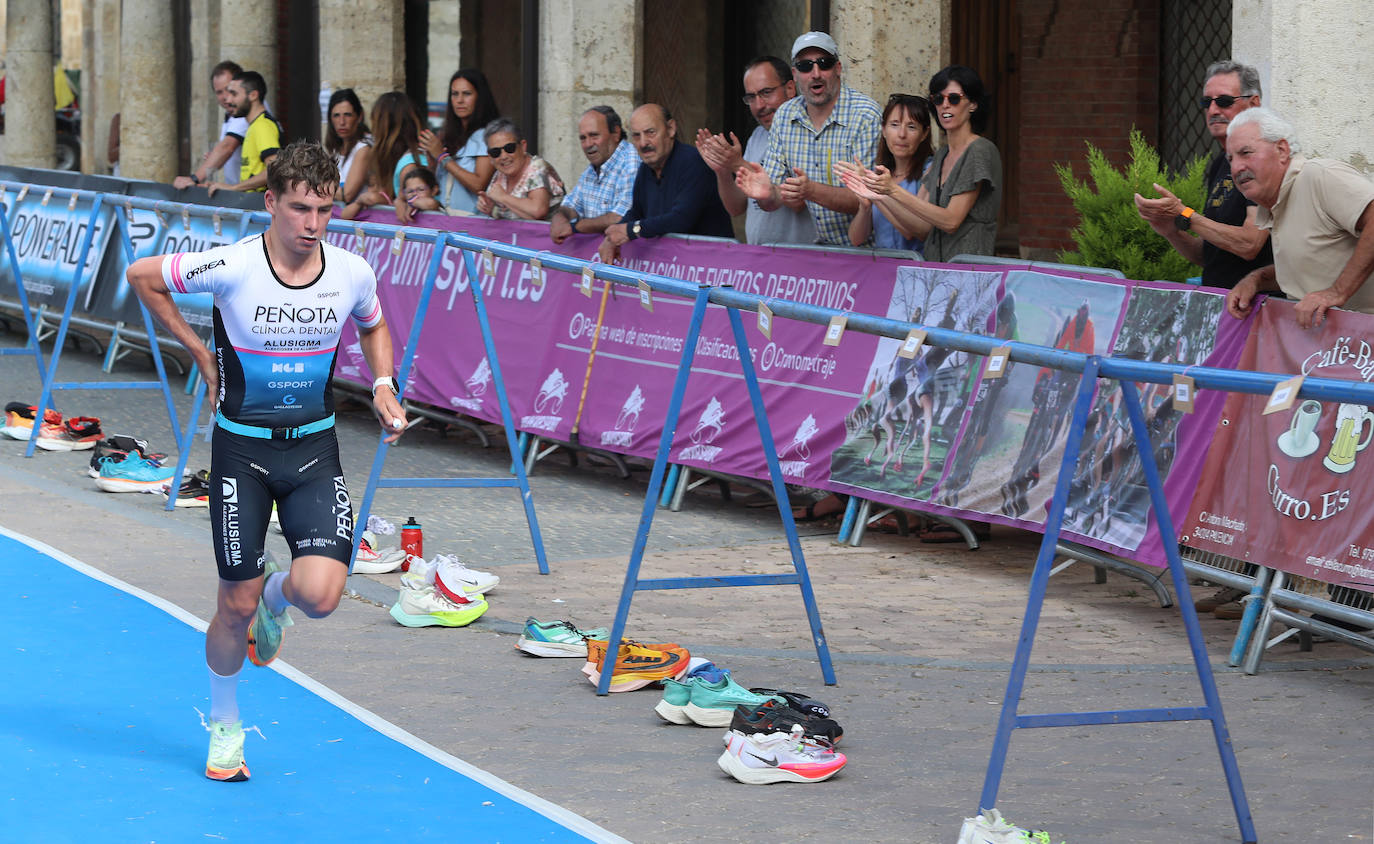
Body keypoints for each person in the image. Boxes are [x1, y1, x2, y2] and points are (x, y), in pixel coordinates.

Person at [124, 141, 406, 782]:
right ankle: (225, 726)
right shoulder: (232, 266)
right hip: (241, 455)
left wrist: (384, 383)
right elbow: (144, 276)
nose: (313, 225)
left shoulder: (352, 272)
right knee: (233, 605)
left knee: (322, 596)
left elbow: (374, 323)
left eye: (325, 211)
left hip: (314, 449)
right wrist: (199, 352)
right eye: (301, 208)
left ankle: (279, 596)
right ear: (271, 202)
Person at [1224, 107, 1374, 328]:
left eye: (1246, 153)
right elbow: (1311, 266)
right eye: (1230, 159)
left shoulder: (1318, 176)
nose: (1236, 167)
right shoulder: (1274, 203)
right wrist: (1255, 280)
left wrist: (1337, 292)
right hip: (1330, 351)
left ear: (1282, 150)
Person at [837, 65, 1000, 262]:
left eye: (954, 99)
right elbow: (921, 228)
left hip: (970, 273)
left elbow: (951, 221)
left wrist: (890, 191)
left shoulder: (980, 150)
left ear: (973, 104)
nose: (945, 105)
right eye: (938, 99)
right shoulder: (943, 155)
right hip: (934, 275)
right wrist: (877, 193)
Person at [1133, 60, 1273, 289]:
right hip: (1220, 305)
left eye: (1225, 101)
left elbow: (1250, 244)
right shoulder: (1220, 163)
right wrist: (1171, 230)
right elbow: (1210, 256)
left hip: (1260, 309)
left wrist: (1186, 215)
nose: (1214, 110)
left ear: (1254, 104)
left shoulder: (1262, 159)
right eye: (1206, 102)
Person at [734, 32, 881, 246]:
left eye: (824, 63)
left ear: (838, 68)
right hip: (812, 254)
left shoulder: (866, 115)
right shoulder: (785, 115)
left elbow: (867, 198)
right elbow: (775, 196)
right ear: (795, 74)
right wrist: (766, 195)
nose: (815, 73)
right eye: (805, 66)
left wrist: (811, 191)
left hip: (862, 253)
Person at [697, 56, 816, 245]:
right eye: (751, 97)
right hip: (760, 259)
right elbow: (736, 208)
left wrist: (737, 163)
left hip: (797, 262)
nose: (759, 105)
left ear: (790, 89)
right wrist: (722, 170)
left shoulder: (808, 132)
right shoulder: (758, 135)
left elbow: (797, 203)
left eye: (766, 92)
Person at [597, 103, 734, 264]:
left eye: (650, 133)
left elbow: (681, 220)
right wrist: (613, 235)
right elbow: (636, 212)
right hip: (672, 267)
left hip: (711, 267)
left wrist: (631, 230)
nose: (643, 143)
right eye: (636, 136)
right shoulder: (646, 168)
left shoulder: (693, 162)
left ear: (670, 129)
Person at [843, 93, 934, 252]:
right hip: (882, 271)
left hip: (916, 272)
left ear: (924, 134)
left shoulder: (930, 170)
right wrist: (864, 207)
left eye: (911, 127)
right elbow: (856, 239)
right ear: (884, 130)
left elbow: (911, 232)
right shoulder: (880, 173)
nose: (901, 134)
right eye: (894, 124)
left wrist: (876, 194)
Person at [550, 106, 639, 243]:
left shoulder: (631, 163)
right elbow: (571, 205)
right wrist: (560, 218)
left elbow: (620, 217)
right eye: (583, 138)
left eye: (594, 136)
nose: (588, 144)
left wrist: (574, 227)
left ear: (615, 133)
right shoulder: (592, 169)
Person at [420, 68, 500, 214]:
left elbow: (479, 185)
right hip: (444, 221)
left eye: (467, 94)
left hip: (475, 224)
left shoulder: (489, 135)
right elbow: (439, 186)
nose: (459, 100)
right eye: (455, 94)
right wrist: (432, 165)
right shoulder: (447, 134)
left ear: (480, 97)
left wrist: (442, 157)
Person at [344, 91, 428, 223]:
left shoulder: (409, 166)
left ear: (385, 126)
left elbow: (413, 214)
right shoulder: (393, 161)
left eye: (375, 122)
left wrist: (395, 201)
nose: (373, 129)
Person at [174, 60, 249, 190]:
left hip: (253, 198)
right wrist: (214, 158)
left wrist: (194, 179)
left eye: (229, 89)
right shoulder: (231, 113)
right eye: (219, 92)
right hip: (239, 194)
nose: (225, 97)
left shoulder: (247, 108)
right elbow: (225, 151)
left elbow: (227, 147)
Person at [205, 70, 281, 194]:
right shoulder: (255, 125)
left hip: (259, 206)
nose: (228, 100)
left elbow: (274, 170)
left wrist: (234, 188)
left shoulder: (262, 125)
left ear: (253, 95)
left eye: (234, 94)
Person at [475, 117, 566, 221]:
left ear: (523, 146)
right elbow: (506, 215)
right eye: (495, 152)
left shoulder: (537, 168)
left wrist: (503, 197)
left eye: (509, 148)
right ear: (490, 157)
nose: (503, 156)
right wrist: (490, 208)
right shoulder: (499, 175)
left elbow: (538, 211)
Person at [324, 88, 373, 204]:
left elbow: (347, 195)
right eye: (336, 115)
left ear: (359, 116)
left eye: (348, 115)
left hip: (360, 219)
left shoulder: (364, 147)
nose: (342, 122)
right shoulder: (336, 148)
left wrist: (316, 187)